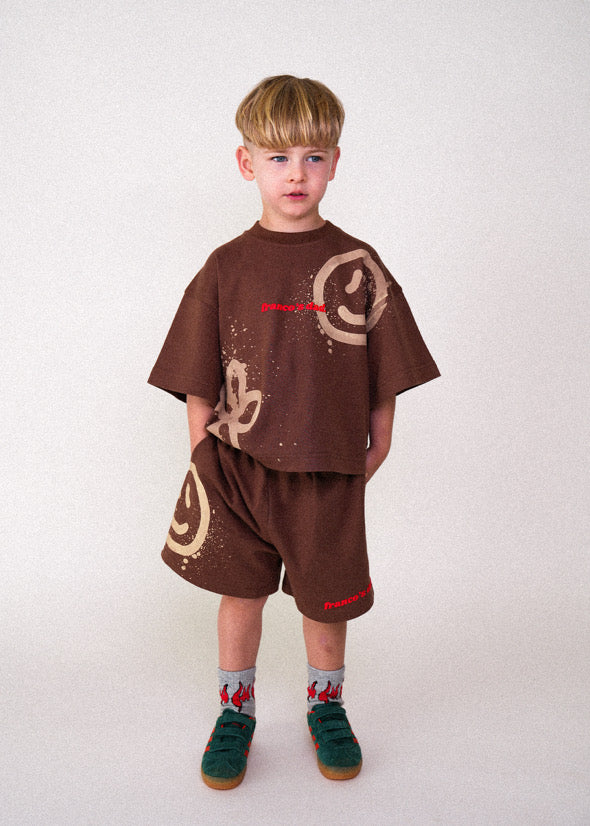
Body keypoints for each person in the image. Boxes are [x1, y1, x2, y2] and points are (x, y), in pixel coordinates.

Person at [148, 75, 440, 790]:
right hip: (237, 469)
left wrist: (380, 436)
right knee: (240, 596)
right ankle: (236, 711)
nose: (296, 174)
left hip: (327, 470)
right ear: (246, 163)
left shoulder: (358, 265)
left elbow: (384, 366)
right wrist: (200, 455)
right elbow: (197, 379)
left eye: (313, 157)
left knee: (325, 599)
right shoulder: (225, 266)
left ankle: (326, 708)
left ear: (336, 162)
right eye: (278, 159)